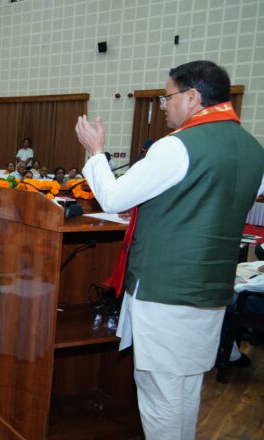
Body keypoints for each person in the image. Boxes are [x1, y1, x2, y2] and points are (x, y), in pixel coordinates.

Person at [74, 60, 264, 439]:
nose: (162, 104)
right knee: (185, 387)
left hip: (166, 289)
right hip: (210, 291)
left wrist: (95, 153)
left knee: (159, 391)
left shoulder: (177, 146)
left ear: (192, 97)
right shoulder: (251, 147)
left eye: (168, 95)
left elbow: (112, 197)